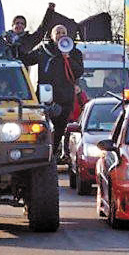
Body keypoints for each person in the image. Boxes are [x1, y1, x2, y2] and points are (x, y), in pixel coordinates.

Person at [21, 24, 84, 160]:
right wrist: (16, 48)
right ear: (51, 36)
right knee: (43, 127)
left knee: (60, 127)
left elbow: (79, 72)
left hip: (65, 98)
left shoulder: (75, 52)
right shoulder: (44, 50)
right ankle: (41, 153)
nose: (60, 35)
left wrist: (68, 58)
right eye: (58, 32)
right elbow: (26, 59)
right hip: (45, 97)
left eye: (63, 32)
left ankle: (53, 154)